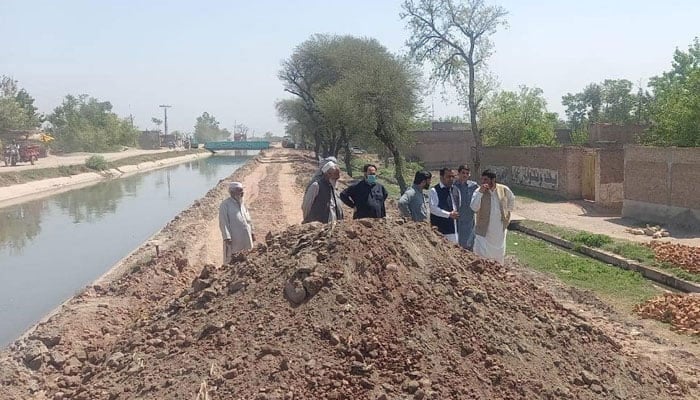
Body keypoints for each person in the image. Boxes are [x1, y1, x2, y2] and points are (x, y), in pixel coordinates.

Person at [470, 169, 515, 264]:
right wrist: (480, 193)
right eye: (482, 180)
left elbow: (512, 198)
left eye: (486, 180)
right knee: (482, 253)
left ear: (493, 180)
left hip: (499, 228)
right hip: (484, 228)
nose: (483, 182)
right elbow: (474, 207)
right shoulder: (478, 191)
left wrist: (508, 212)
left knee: (499, 252)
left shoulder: (503, 189)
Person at [219, 182, 254, 264]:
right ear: (232, 192)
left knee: (248, 256)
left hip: (246, 237)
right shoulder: (225, 205)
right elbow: (223, 222)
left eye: (242, 191)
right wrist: (227, 237)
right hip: (234, 239)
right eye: (239, 191)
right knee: (232, 259)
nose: (242, 193)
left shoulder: (242, 203)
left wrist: (252, 232)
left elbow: (248, 220)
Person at [429, 168, 461, 243]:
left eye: (453, 176)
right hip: (441, 232)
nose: (451, 179)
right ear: (441, 177)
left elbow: (458, 206)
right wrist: (449, 214)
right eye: (448, 176)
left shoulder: (456, 190)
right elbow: (433, 209)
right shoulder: (434, 190)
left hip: (455, 230)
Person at [453, 165, 479, 250]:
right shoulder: (453, 186)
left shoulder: (473, 186)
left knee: (470, 241)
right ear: (458, 173)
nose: (465, 175)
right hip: (457, 218)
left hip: (469, 218)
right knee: (458, 242)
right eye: (463, 173)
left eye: (467, 173)